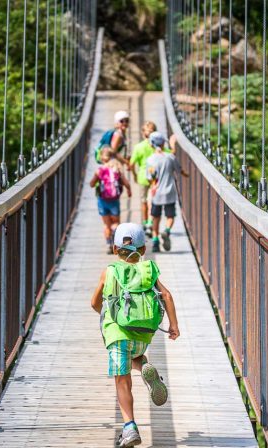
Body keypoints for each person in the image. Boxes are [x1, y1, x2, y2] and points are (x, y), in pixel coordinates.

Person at [90, 223, 180, 448]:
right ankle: (147, 371)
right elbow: (167, 295)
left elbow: (94, 303)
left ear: (114, 249)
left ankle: (129, 428)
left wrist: (106, 310)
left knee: (122, 380)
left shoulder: (109, 271)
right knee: (135, 355)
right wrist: (173, 326)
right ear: (143, 250)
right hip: (143, 336)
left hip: (117, 334)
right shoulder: (149, 268)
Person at [146, 132, 189, 252]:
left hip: (156, 193)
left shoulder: (150, 160)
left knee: (155, 217)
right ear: (163, 143)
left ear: (151, 145)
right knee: (170, 216)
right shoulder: (170, 157)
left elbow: (150, 178)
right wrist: (187, 175)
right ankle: (167, 231)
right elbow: (179, 170)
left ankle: (155, 242)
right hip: (169, 191)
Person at [90, 146, 132, 254]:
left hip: (102, 201)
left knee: (106, 224)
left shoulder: (100, 170)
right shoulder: (116, 169)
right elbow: (126, 183)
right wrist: (129, 190)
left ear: (102, 158)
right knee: (116, 223)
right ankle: (116, 238)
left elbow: (91, 184)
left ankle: (109, 244)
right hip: (114, 201)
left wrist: (98, 181)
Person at [129, 121, 158, 235]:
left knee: (144, 201)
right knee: (153, 201)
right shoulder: (157, 146)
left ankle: (145, 223)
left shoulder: (138, 147)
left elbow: (131, 164)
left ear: (143, 134)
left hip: (142, 177)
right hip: (155, 178)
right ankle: (150, 222)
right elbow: (169, 154)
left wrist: (134, 175)